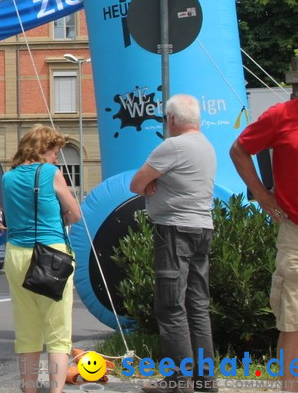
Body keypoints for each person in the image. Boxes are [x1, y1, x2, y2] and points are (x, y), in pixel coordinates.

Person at [230, 49, 298, 393]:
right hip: (297, 234)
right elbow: (240, 149)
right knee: (292, 323)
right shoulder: (282, 115)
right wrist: (262, 195)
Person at [130, 94, 217, 393]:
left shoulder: (173, 146)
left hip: (173, 230)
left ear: (171, 119)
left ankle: (178, 380)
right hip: (202, 228)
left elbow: (136, 183)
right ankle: (205, 381)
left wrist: (152, 182)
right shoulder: (206, 146)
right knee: (197, 305)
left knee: (170, 305)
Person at [2, 124, 81, 393]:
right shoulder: (51, 173)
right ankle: (56, 391)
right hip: (51, 253)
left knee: (27, 328)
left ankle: (29, 389)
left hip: (16, 254)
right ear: (42, 149)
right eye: (55, 152)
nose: (57, 158)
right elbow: (75, 213)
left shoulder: (8, 178)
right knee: (58, 331)